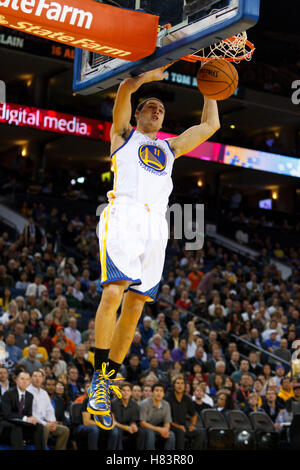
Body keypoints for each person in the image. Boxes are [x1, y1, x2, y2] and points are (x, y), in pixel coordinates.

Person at [87, 64, 220, 430]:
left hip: (155, 226)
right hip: (124, 214)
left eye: (161, 109)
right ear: (139, 113)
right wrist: (145, 79)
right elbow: (126, 88)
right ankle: (98, 378)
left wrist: (210, 88)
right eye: (150, 107)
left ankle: (108, 381)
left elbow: (210, 127)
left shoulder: (169, 147)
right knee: (113, 293)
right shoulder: (122, 135)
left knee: (134, 307)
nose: (157, 111)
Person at [0, 371, 45, 450]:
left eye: (27, 379)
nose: (25, 381)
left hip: (21, 423)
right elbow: (7, 415)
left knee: (39, 427)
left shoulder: (30, 396)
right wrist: (25, 418)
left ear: (29, 382)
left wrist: (31, 419)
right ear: (16, 380)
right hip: (7, 423)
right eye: (22, 379)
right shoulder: (8, 394)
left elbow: (28, 414)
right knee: (17, 428)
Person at [27, 370, 70, 450]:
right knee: (45, 429)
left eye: (40, 376)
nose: (37, 379)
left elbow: (49, 410)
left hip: (46, 422)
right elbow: (31, 413)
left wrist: (52, 422)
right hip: (33, 423)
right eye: (35, 376)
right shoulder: (27, 392)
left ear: (43, 379)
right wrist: (45, 424)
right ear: (31, 378)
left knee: (65, 430)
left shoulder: (44, 393)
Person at [166, 376, 205, 450]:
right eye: (177, 383)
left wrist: (192, 425)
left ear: (185, 386)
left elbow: (193, 415)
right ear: (174, 385)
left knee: (201, 433)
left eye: (182, 383)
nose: (180, 385)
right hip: (170, 426)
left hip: (183, 426)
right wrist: (178, 426)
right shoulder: (168, 398)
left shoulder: (187, 399)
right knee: (180, 432)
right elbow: (166, 418)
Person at [107, 382, 145, 450]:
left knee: (141, 432)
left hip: (128, 426)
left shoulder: (135, 405)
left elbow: (133, 420)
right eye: (123, 390)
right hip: (117, 426)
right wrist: (126, 428)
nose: (126, 392)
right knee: (117, 431)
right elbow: (112, 422)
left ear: (131, 393)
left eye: (128, 390)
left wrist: (133, 425)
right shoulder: (113, 403)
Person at [140, 382, 175, 450]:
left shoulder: (166, 405)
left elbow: (167, 422)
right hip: (145, 429)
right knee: (150, 433)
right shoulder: (144, 403)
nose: (158, 393)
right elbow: (142, 423)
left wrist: (165, 430)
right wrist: (159, 429)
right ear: (152, 393)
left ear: (164, 394)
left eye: (161, 391)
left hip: (158, 428)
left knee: (171, 434)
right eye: (156, 390)